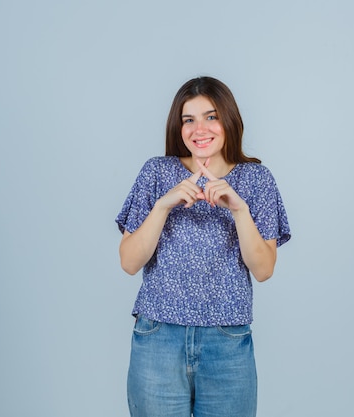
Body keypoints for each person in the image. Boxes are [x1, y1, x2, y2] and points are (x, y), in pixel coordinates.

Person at [115, 76, 291, 417]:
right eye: (189, 119)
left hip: (227, 341)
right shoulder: (156, 172)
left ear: (229, 120)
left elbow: (264, 269)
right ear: (177, 126)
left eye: (211, 116)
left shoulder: (256, 180)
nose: (200, 128)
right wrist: (163, 205)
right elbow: (129, 262)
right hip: (158, 338)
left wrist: (239, 209)